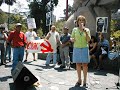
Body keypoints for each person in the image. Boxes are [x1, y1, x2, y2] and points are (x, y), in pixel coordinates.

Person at [71, 15, 91, 87]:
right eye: (80, 20)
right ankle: (79, 80)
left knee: (85, 64)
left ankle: (85, 81)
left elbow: (88, 40)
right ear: (77, 22)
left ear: (84, 22)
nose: (81, 22)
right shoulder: (74, 30)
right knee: (78, 64)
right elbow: (71, 38)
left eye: (83, 20)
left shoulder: (87, 30)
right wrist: (72, 39)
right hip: (76, 48)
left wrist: (85, 32)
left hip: (84, 48)